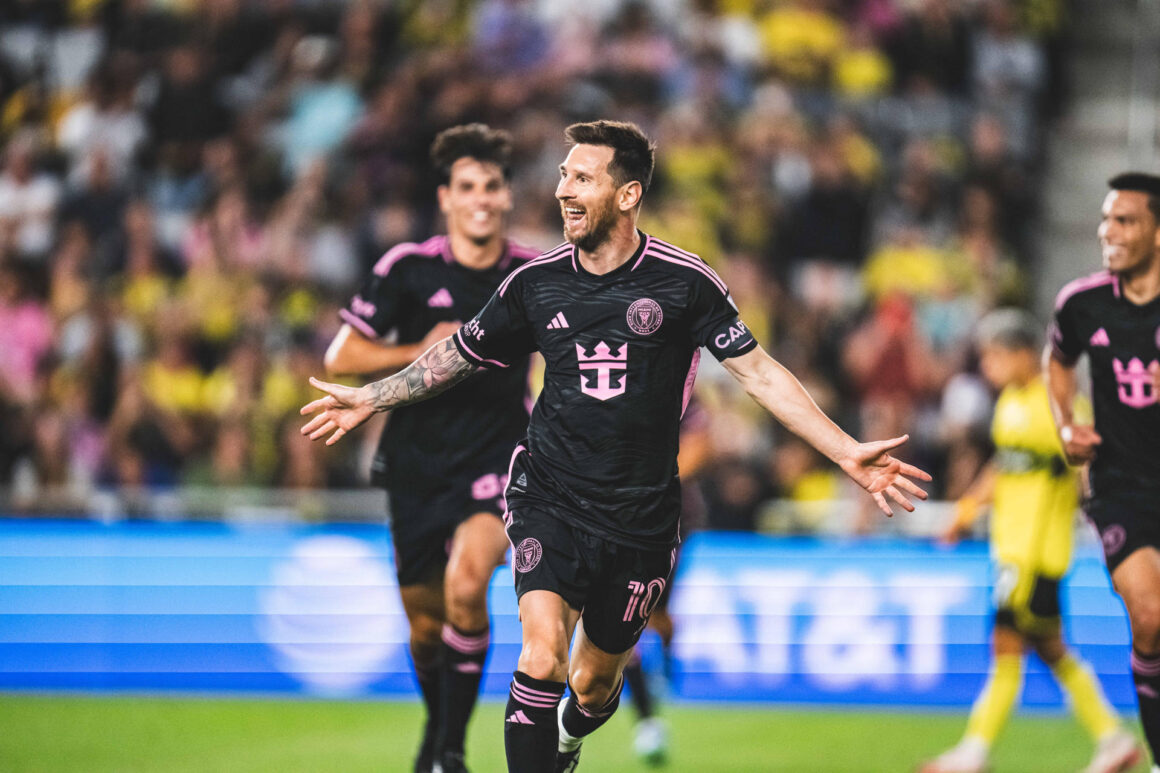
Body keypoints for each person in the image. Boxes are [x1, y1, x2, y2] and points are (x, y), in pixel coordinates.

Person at [301, 120, 931, 773]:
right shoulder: (534, 283)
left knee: (593, 685)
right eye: (562, 176)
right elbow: (457, 354)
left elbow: (760, 375)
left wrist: (845, 450)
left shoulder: (685, 282)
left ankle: (569, 739)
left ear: (627, 195)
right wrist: (373, 396)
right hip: (548, 496)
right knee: (540, 654)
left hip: (641, 518)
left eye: (582, 178)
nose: (563, 190)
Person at [323, 123, 539, 773]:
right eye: (466, 187)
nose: (481, 199)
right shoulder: (407, 268)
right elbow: (341, 355)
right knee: (425, 628)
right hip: (416, 459)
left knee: (467, 585)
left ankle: (449, 751)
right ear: (445, 198)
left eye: (491, 186)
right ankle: (438, 730)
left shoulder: (532, 275)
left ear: (506, 196)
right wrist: (421, 349)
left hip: (500, 455)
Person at [921, 308, 1139, 773]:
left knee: (1005, 645)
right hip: (1011, 546)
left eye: (995, 357)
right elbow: (1004, 466)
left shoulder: (1058, 404)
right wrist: (964, 512)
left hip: (1038, 551)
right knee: (1049, 648)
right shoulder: (1010, 403)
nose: (988, 368)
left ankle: (974, 751)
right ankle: (1112, 738)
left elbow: (1090, 465)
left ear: (1023, 354)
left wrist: (1111, 522)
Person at [1046, 172, 1160, 773]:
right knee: (1150, 616)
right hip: (1121, 487)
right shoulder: (1081, 303)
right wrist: (1066, 424)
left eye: (1125, 220)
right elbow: (1058, 360)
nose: (1107, 231)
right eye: (1105, 219)